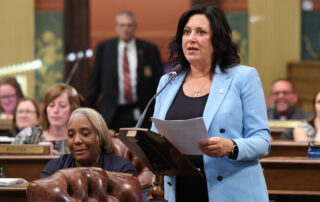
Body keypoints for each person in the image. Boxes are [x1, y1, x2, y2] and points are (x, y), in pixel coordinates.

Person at [151, 6, 270, 202]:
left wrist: (230, 146)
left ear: (218, 40)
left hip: (230, 191)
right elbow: (155, 135)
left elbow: (262, 141)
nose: (191, 38)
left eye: (201, 32)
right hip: (180, 190)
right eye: (186, 32)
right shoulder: (168, 82)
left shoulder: (243, 77)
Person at [86, 10, 163, 134]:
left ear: (135, 27)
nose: (126, 29)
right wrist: (86, 111)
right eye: (122, 25)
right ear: (116, 27)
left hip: (140, 111)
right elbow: (95, 82)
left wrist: (158, 112)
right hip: (111, 112)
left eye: (129, 25)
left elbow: (158, 83)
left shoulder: (149, 49)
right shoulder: (104, 48)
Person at [40, 108, 137, 178]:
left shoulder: (121, 169)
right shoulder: (54, 168)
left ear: (100, 136)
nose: (77, 140)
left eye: (85, 134)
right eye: (71, 135)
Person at [12, 83, 81, 155]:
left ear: (72, 110)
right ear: (46, 109)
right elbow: (6, 163)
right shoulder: (28, 135)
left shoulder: (78, 139)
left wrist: (59, 160)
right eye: (51, 105)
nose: (55, 110)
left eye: (62, 106)